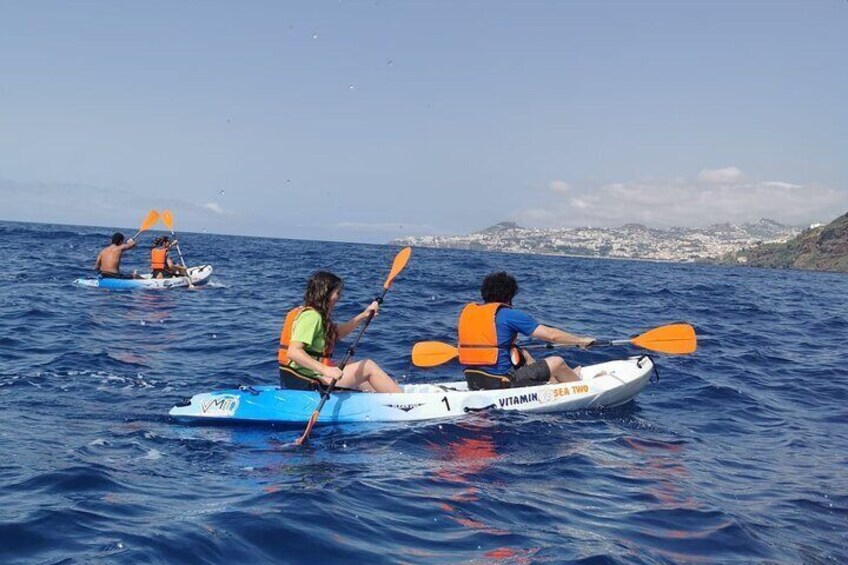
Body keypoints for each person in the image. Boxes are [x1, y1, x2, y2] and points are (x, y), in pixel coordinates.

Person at [457, 271, 596, 390]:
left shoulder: (469, 314)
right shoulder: (509, 314)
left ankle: (552, 381)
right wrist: (580, 341)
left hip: (473, 379)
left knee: (522, 354)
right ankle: (579, 385)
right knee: (557, 362)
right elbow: (551, 336)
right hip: (501, 383)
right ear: (509, 296)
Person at [277, 271, 402, 393]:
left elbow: (336, 334)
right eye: (337, 293)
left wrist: (363, 315)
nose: (339, 297)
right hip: (305, 383)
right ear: (326, 293)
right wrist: (326, 370)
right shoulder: (312, 317)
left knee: (350, 364)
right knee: (367, 366)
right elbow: (294, 352)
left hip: (299, 378)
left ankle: (382, 394)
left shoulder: (314, 314)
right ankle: (402, 401)